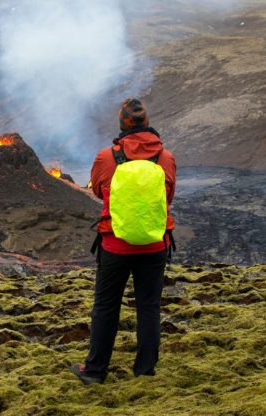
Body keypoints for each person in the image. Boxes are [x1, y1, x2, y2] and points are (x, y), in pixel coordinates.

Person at [71, 98, 176, 384]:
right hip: (154, 245)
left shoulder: (106, 157)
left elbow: (97, 192)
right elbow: (167, 198)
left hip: (115, 246)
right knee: (149, 306)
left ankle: (94, 371)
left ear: (121, 124)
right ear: (147, 123)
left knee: (106, 306)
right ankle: (145, 370)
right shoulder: (165, 158)